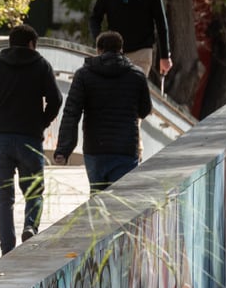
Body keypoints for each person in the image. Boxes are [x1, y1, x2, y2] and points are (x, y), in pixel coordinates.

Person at [0, 24, 62, 255]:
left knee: (4, 199)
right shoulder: (41, 65)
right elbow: (56, 100)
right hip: (29, 138)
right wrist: (41, 123)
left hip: (0, 140)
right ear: (31, 44)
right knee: (34, 191)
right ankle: (30, 226)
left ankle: (7, 249)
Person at [53, 31, 153, 193]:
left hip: (95, 149)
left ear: (98, 50)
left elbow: (71, 113)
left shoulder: (83, 75)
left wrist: (64, 150)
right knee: (122, 204)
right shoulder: (136, 75)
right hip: (125, 149)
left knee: (97, 201)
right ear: (121, 49)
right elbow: (145, 110)